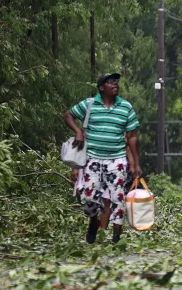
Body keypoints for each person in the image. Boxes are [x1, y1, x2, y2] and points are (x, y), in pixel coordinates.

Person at [64, 73, 142, 244]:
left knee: (117, 197)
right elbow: (68, 115)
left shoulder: (126, 107)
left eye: (117, 81)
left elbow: (132, 136)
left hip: (117, 160)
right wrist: (78, 131)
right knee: (88, 196)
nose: (115, 84)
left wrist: (135, 163)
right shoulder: (90, 104)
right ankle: (93, 221)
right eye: (110, 81)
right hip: (92, 159)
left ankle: (116, 236)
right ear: (101, 88)